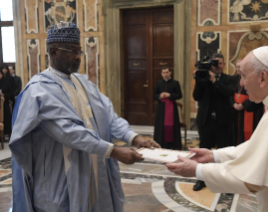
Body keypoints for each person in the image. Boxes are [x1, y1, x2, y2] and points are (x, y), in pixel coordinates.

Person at [9, 22, 160, 212]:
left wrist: (134, 138)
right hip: (61, 173)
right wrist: (113, 151)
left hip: (95, 167)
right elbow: (68, 131)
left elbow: (109, 117)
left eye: (80, 51)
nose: (78, 57)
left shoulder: (84, 84)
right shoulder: (40, 90)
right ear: (54, 51)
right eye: (72, 51)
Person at [166, 46, 268, 212]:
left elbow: (252, 178)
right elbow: (259, 148)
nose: (241, 83)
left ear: (262, 78)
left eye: (243, 76)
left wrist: (198, 170)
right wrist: (214, 155)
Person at [192, 53, 234, 191]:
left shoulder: (229, 79)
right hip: (206, 121)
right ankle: (201, 179)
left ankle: (224, 182)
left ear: (224, 64)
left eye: (220, 63)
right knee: (203, 152)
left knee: (223, 153)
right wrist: (199, 80)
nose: (217, 66)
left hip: (223, 122)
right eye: (215, 63)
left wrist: (215, 82)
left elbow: (229, 93)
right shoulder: (203, 78)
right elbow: (196, 96)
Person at [230, 60, 263, 145]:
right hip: (235, 113)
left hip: (249, 111)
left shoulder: (253, 79)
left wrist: (243, 105)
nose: (238, 69)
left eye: (240, 67)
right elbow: (229, 94)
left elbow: (256, 95)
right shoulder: (234, 79)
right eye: (237, 67)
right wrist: (233, 103)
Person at [153, 66, 182, 149]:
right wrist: (160, 96)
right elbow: (154, 95)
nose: (165, 74)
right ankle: (160, 144)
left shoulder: (175, 83)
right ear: (161, 74)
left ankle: (173, 145)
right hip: (161, 108)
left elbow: (179, 95)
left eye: (167, 72)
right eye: (163, 73)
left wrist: (170, 95)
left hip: (172, 108)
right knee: (160, 126)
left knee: (173, 127)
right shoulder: (159, 83)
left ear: (170, 73)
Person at [0, 65, 15, 139]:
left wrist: (4, 94)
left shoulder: (6, 82)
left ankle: (7, 134)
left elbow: (11, 92)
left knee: (6, 119)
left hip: (5, 105)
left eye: (0, 74)